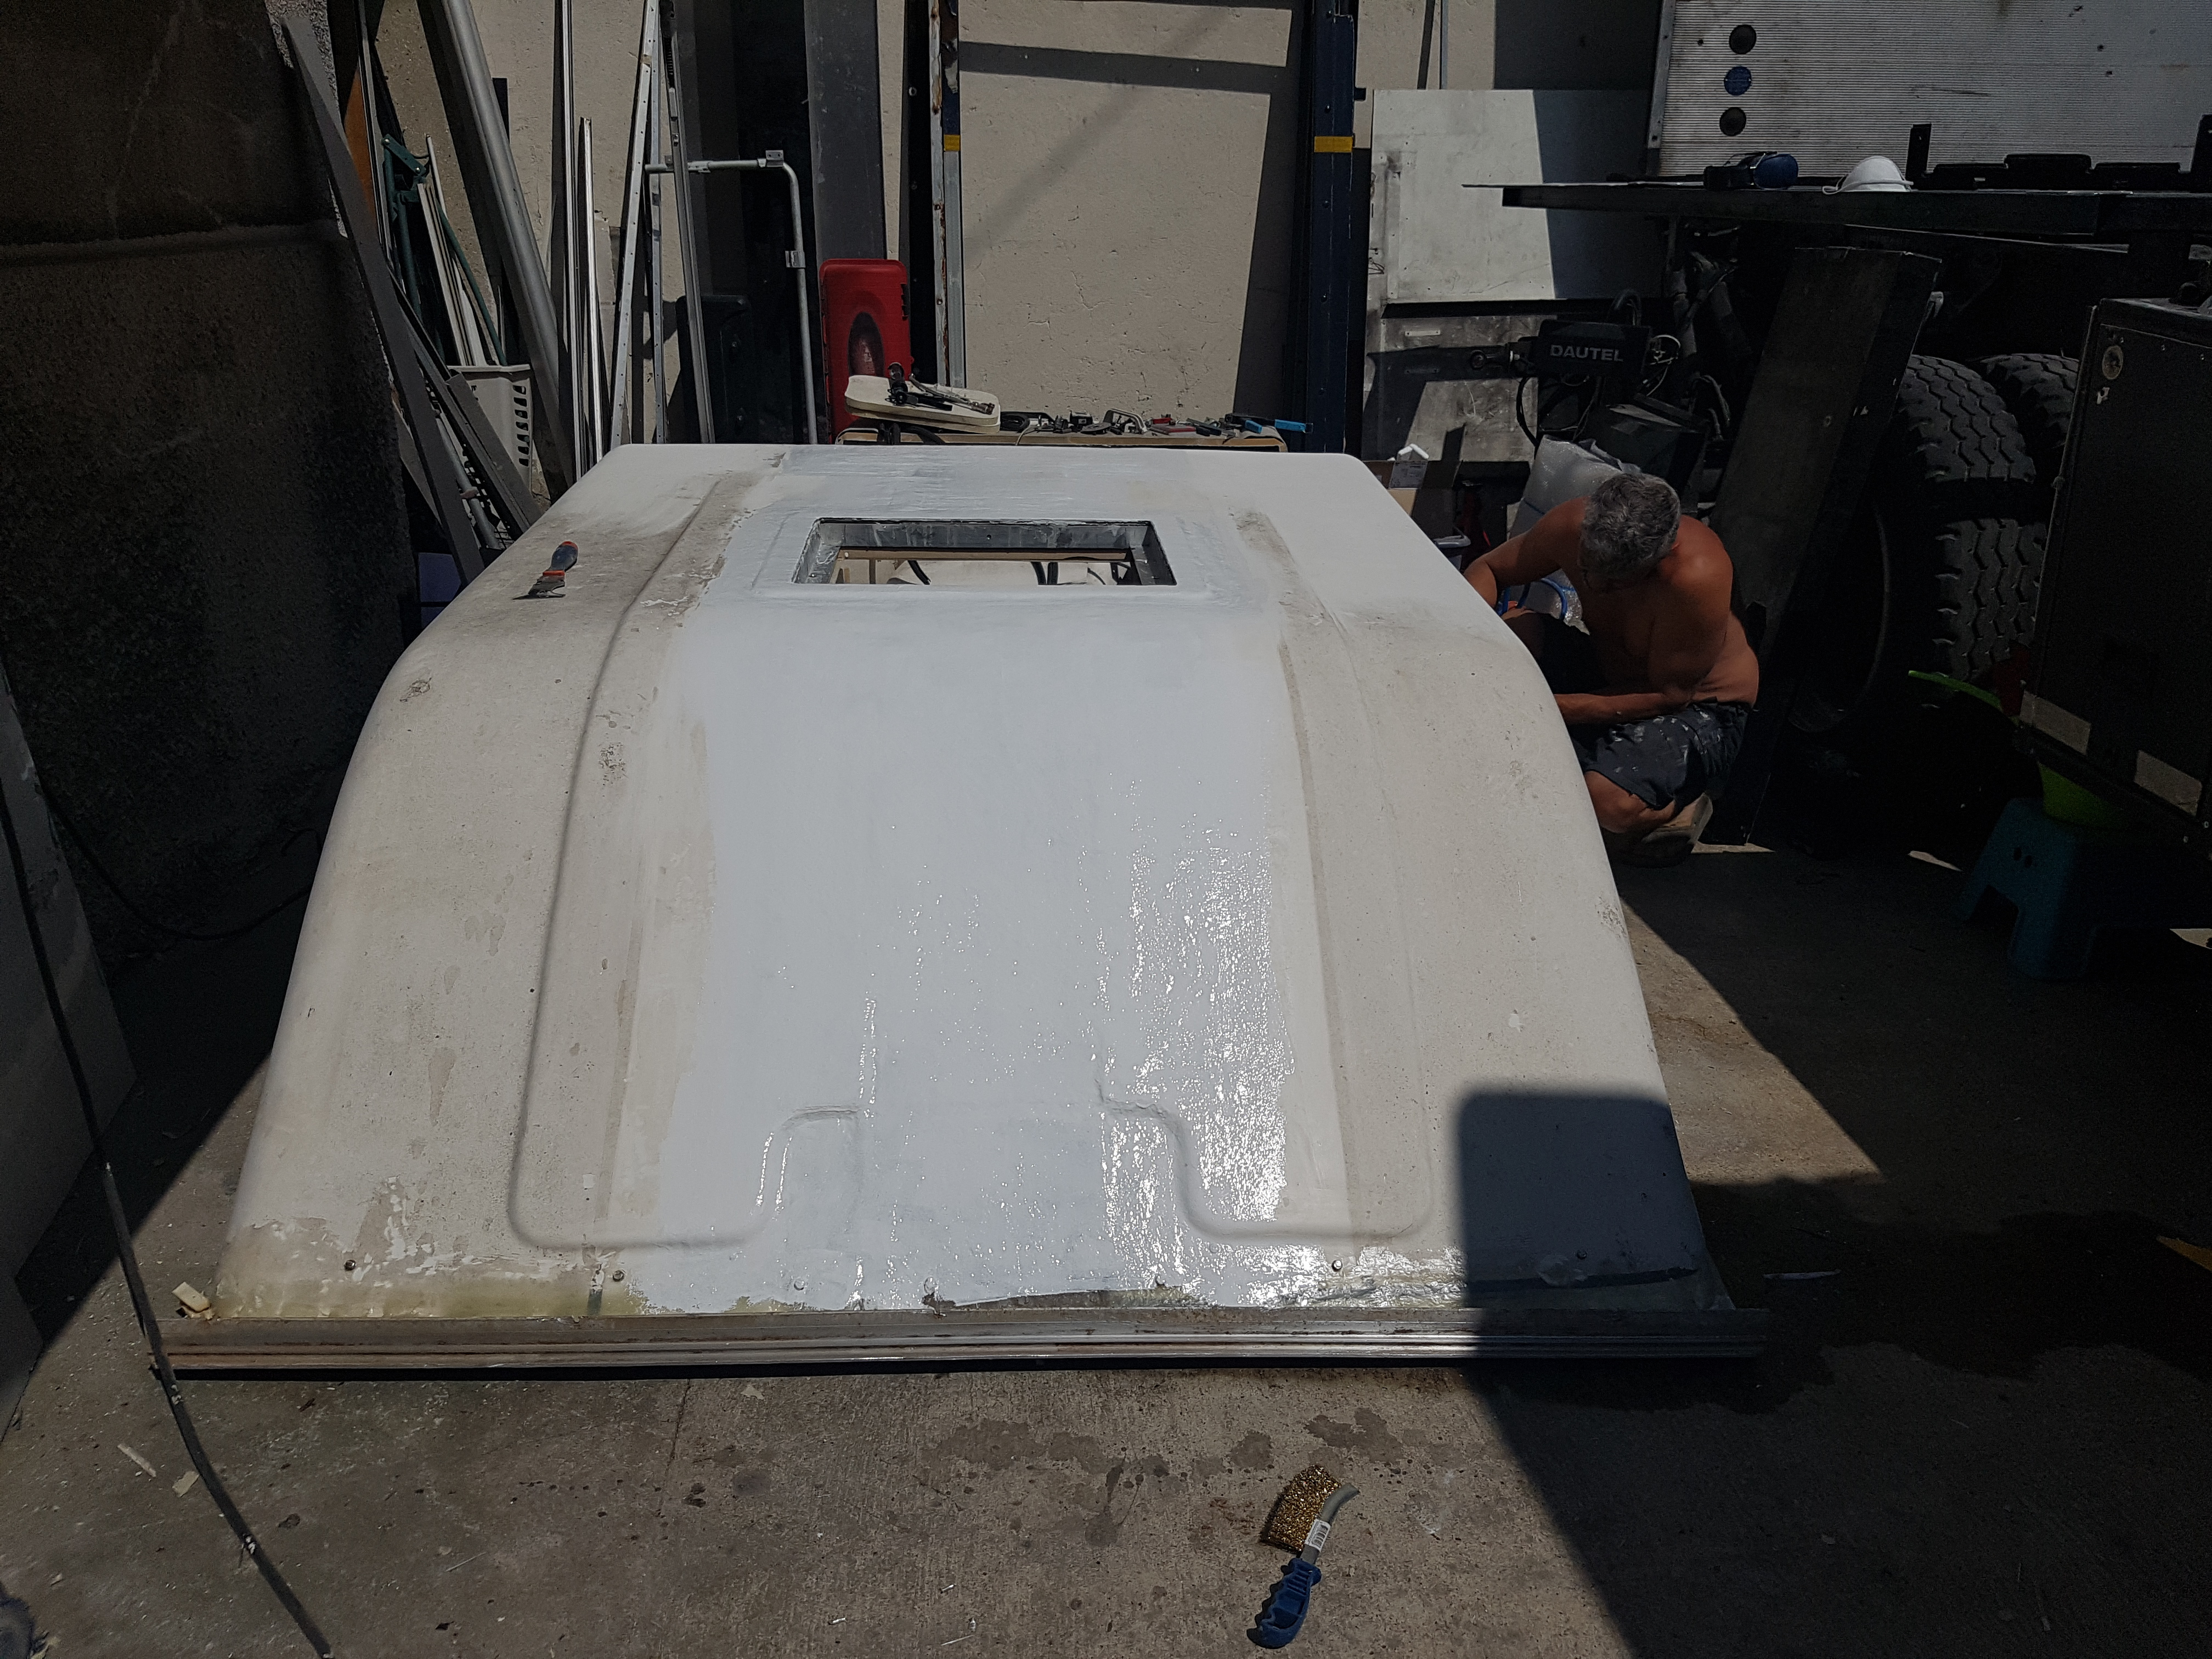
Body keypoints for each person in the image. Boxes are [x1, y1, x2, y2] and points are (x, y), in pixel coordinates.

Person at [1464, 472, 1759, 864]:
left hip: (1697, 708)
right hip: (1612, 671)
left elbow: (1670, 696)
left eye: (1618, 582)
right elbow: (1490, 570)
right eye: (1587, 571)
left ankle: (1676, 808)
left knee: (1608, 803)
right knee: (1517, 629)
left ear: (1662, 557)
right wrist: (1464, 646)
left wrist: (1547, 708)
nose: (1597, 589)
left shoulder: (1697, 576)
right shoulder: (1571, 524)